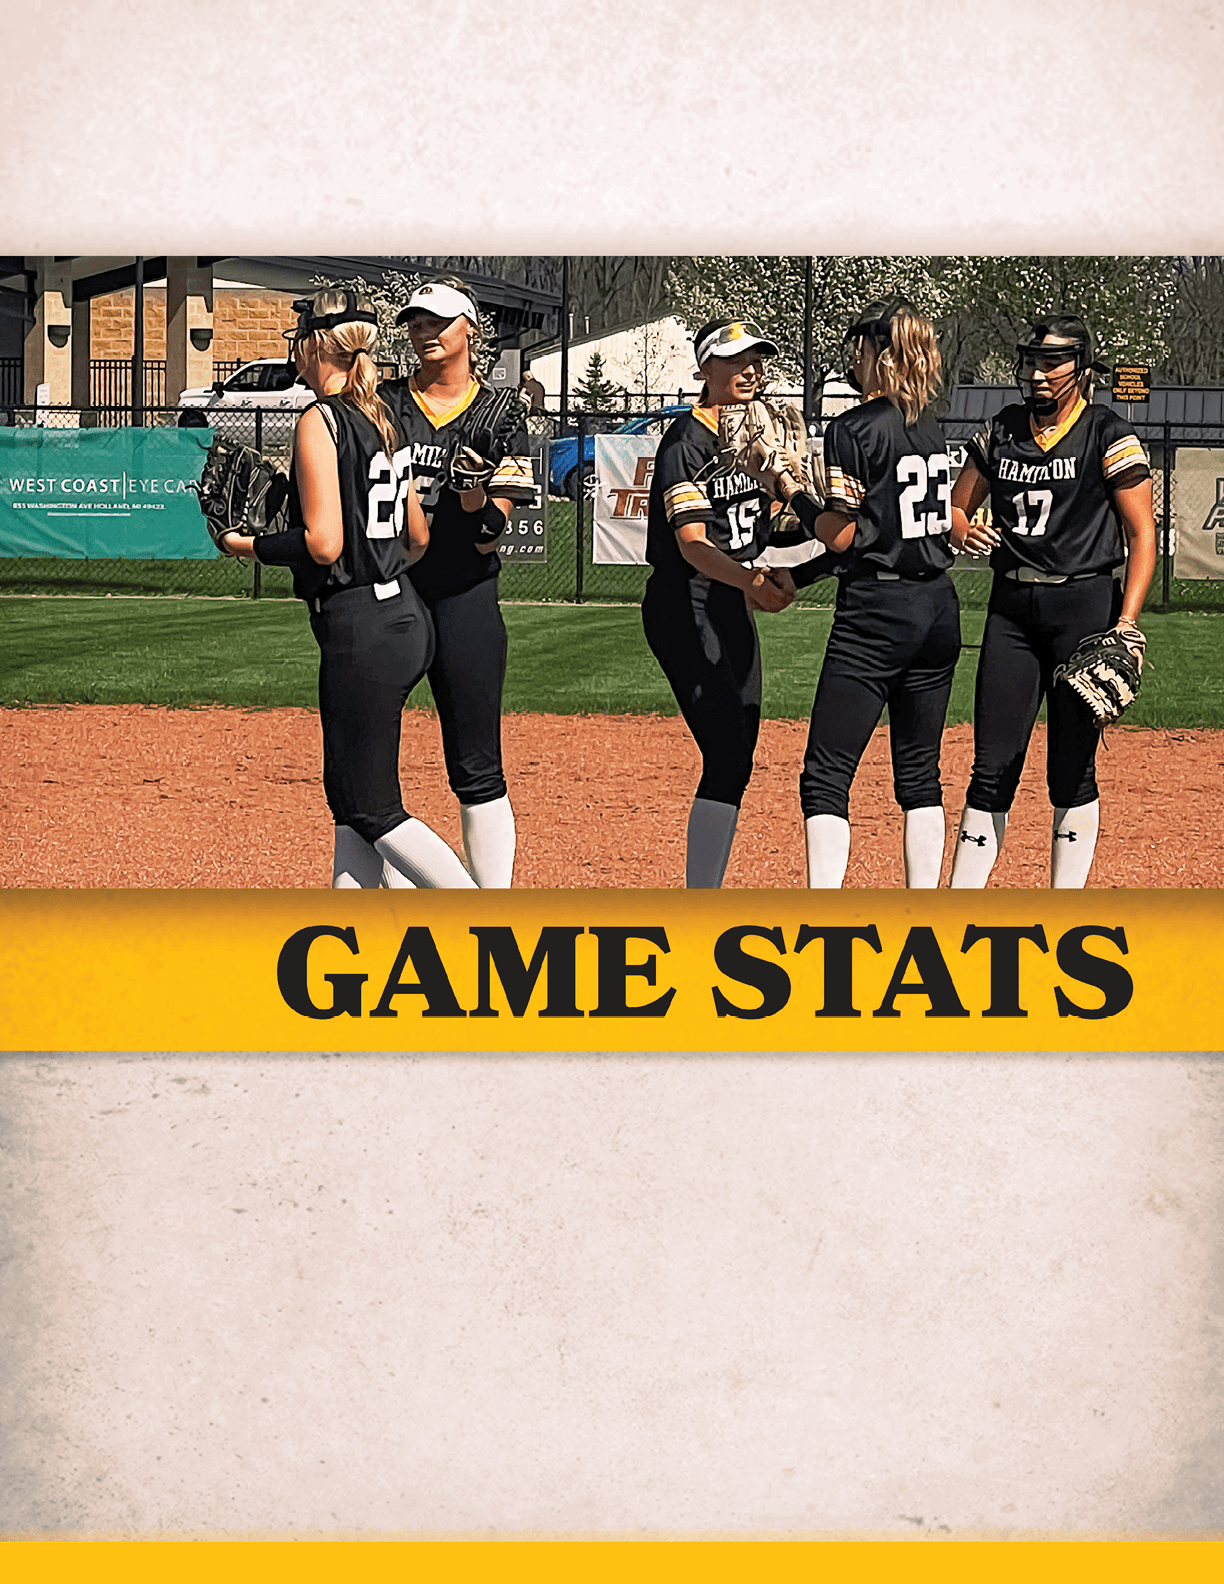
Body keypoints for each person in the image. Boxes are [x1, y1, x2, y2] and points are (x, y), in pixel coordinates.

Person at [218, 288, 475, 890]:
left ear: (314, 345)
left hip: (361, 626)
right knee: (351, 810)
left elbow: (325, 543)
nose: (296, 351)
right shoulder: (382, 415)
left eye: (299, 339)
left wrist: (246, 545)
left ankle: (482, 916)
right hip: (404, 616)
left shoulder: (320, 418)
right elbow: (416, 538)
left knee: (370, 806)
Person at [948, 314, 1156, 888]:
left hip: (1084, 610)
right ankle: (961, 902)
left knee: (1071, 766)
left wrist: (1127, 625)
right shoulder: (1002, 428)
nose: (1038, 374)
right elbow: (958, 510)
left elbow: (1142, 535)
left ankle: (1063, 908)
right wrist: (962, 529)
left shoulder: (1108, 432)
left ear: (1082, 369)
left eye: (1052, 362)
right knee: (991, 766)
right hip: (1011, 608)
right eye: (1032, 362)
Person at [776, 300, 961, 888]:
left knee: (826, 776)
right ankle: (923, 915)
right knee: (919, 775)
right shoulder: (930, 426)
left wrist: (786, 490)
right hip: (937, 607)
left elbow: (847, 533)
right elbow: (878, 534)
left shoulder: (854, 428)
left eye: (860, 347)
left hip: (878, 612)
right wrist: (803, 577)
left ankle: (823, 920)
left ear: (879, 354)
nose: (853, 358)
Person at [382, 278, 534, 887]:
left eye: (437, 321)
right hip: (390, 592)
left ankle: (491, 912)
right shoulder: (385, 402)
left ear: (470, 328)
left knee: (476, 763)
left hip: (464, 593)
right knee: (369, 766)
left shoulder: (500, 411)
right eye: (415, 322)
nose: (424, 332)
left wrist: (476, 502)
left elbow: (491, 530)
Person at [641, 318, 798, 888]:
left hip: (729, 598)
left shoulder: (753, 435)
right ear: (706, 369)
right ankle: (700, 899)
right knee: (729, 751)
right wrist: (753, 584)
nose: (750, 370)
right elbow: (692, 546)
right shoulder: (686, 440)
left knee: (740, 751)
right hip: (687, 601)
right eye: (734, 361)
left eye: (756, 359)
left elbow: (762, 528)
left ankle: (705, 890)